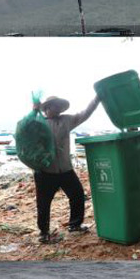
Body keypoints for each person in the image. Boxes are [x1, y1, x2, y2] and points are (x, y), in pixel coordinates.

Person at [33, 94, 101, 243]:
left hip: (65, 170)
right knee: (43, 203)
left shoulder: (67, 120)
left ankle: (75, 225)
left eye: (58, 106)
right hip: (45, 172)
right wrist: (33, 112)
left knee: (77, 195)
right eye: (53, 106)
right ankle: (44, 233)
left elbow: (85, 113)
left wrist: (96, 99)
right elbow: (25, 134)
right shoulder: (38, 123)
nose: (56, 109)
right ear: (46, 108)